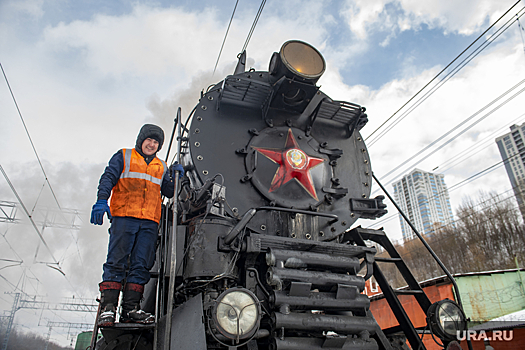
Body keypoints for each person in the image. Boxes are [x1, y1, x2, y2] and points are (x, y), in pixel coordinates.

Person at [90, 124, 183, 327]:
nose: (152, 144)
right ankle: (108, 308)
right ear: (141, 140)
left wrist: (176, 178)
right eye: (149, 140)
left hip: (150, 221)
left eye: (156, 142)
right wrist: (101, 200)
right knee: (117, 261)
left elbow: (168, 192)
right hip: (124, 217)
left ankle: (130, 309)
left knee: (141, 264)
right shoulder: (124, 156)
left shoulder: (162, 166)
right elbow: (108, 178)